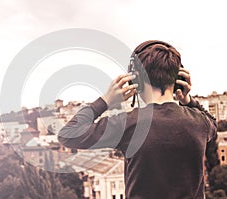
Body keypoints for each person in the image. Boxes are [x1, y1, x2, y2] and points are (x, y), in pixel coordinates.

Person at [57, 40, 217, 199]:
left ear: (136, 80)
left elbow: (68, 134)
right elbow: (213, 123)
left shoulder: (127, 123)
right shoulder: (199, 122)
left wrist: (106, 100)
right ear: (178, 80)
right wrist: (188, 100)